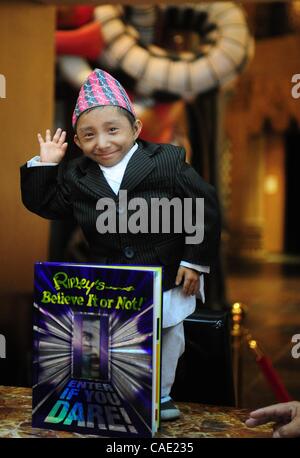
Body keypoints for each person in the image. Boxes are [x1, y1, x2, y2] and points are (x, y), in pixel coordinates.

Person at [20, 68, 220, 421]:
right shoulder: (76, 175)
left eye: (113, 130)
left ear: (136, 129)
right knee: (114, 339)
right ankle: (119, 392)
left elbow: (202, 207)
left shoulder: (167, 161)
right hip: (111, 281)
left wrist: (194, 262)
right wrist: (46, 165)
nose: (103, 142)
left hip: (167, 274)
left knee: (169, 334)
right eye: (89, 135)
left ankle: (161, 394)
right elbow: (46, 204)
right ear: (79, 142)